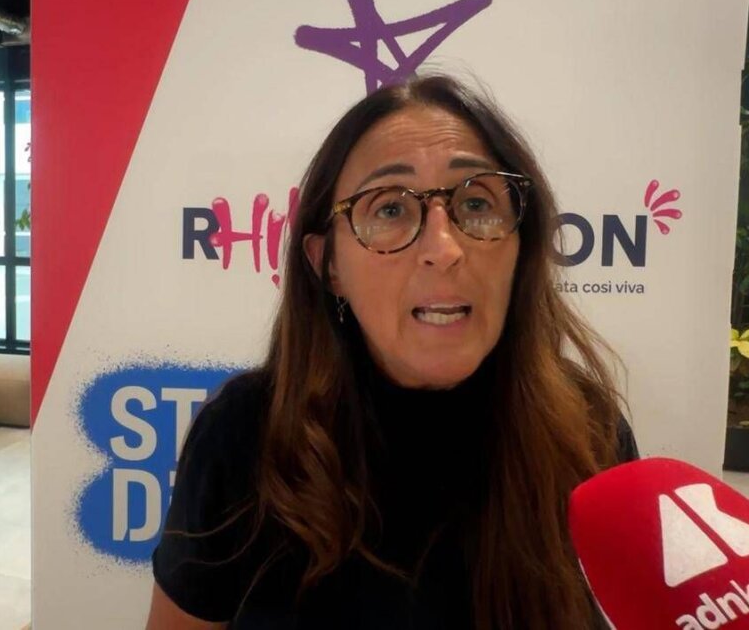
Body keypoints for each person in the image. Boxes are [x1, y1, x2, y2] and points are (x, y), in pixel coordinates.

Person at [147, 74, 639, 630]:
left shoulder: (586, 430)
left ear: (522, 247)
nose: (444, 248)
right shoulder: (246, 435)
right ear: (329, 264)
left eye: (476, 202)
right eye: (388, 210)